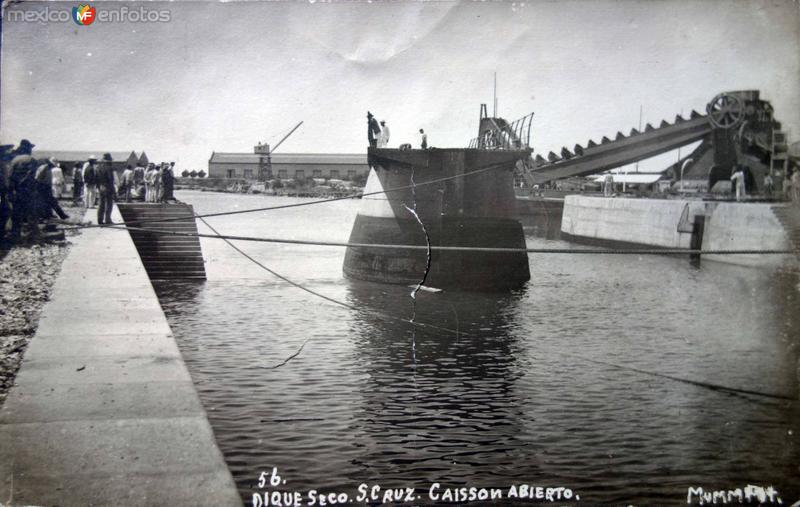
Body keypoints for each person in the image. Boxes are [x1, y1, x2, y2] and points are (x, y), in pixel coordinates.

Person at [8, 139, 40, 239]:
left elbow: (10, 176)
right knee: (31, 212)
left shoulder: (14, 160)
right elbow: (31, 176)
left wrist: (11, 190)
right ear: (28, 149)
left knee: (16, 212)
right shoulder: (32, 160)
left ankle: (15, 233)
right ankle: (32, 233)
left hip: (17, 191)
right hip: (28, 191)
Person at [0, 144, 15, 241]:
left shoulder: (6, 163)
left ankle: (3, 232)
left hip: (5, 190)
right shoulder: (2, 163)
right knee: (5, 210)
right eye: (7, 151)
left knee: (6, 210)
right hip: (3, 189)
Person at [96, 153, 116, 225]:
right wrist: (114, 191)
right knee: (109, 204)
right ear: (109, 160)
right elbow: (110, 180)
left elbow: (96, 179)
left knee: (101, 204)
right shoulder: (109, 168)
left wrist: (98, 187)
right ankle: (108, 220)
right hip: (108, 187)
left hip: (101, 187)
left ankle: (100, 220)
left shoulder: (98, 167)